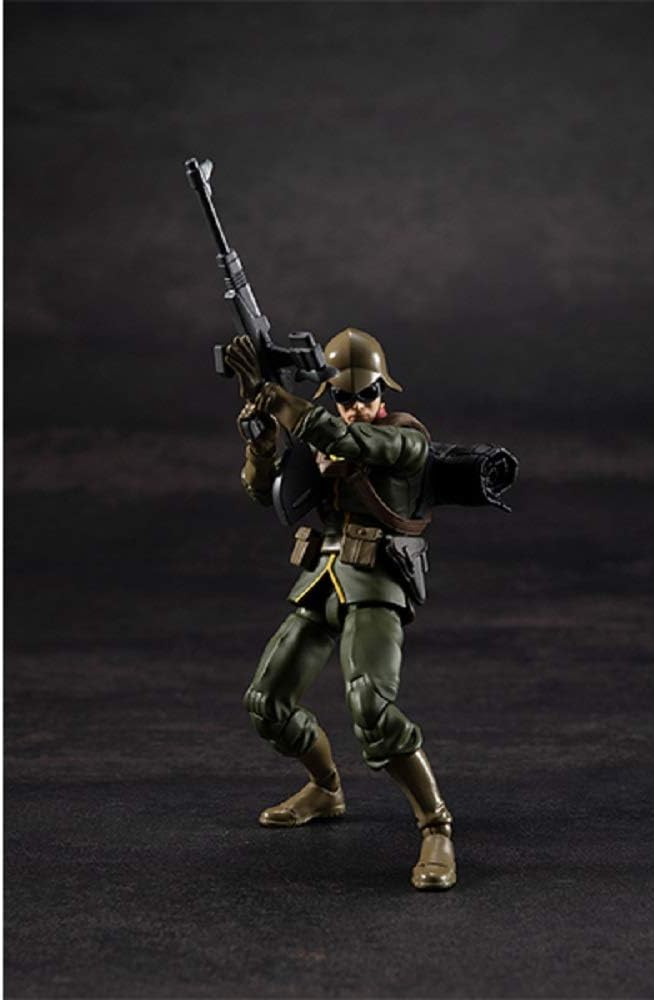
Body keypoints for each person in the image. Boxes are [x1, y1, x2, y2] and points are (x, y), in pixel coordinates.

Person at [223, 326, 456, 891]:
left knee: (371, 707)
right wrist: (260, 440)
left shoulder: (406, 439)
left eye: (366, 395)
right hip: (321, 580)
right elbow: (265, 493)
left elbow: (356, 443)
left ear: (383, 391)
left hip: (376, 584)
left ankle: (436, 826)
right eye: (344, 397)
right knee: (266, 702)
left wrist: (283, 402)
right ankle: (326, 789)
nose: (355, 406)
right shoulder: (321, 436)